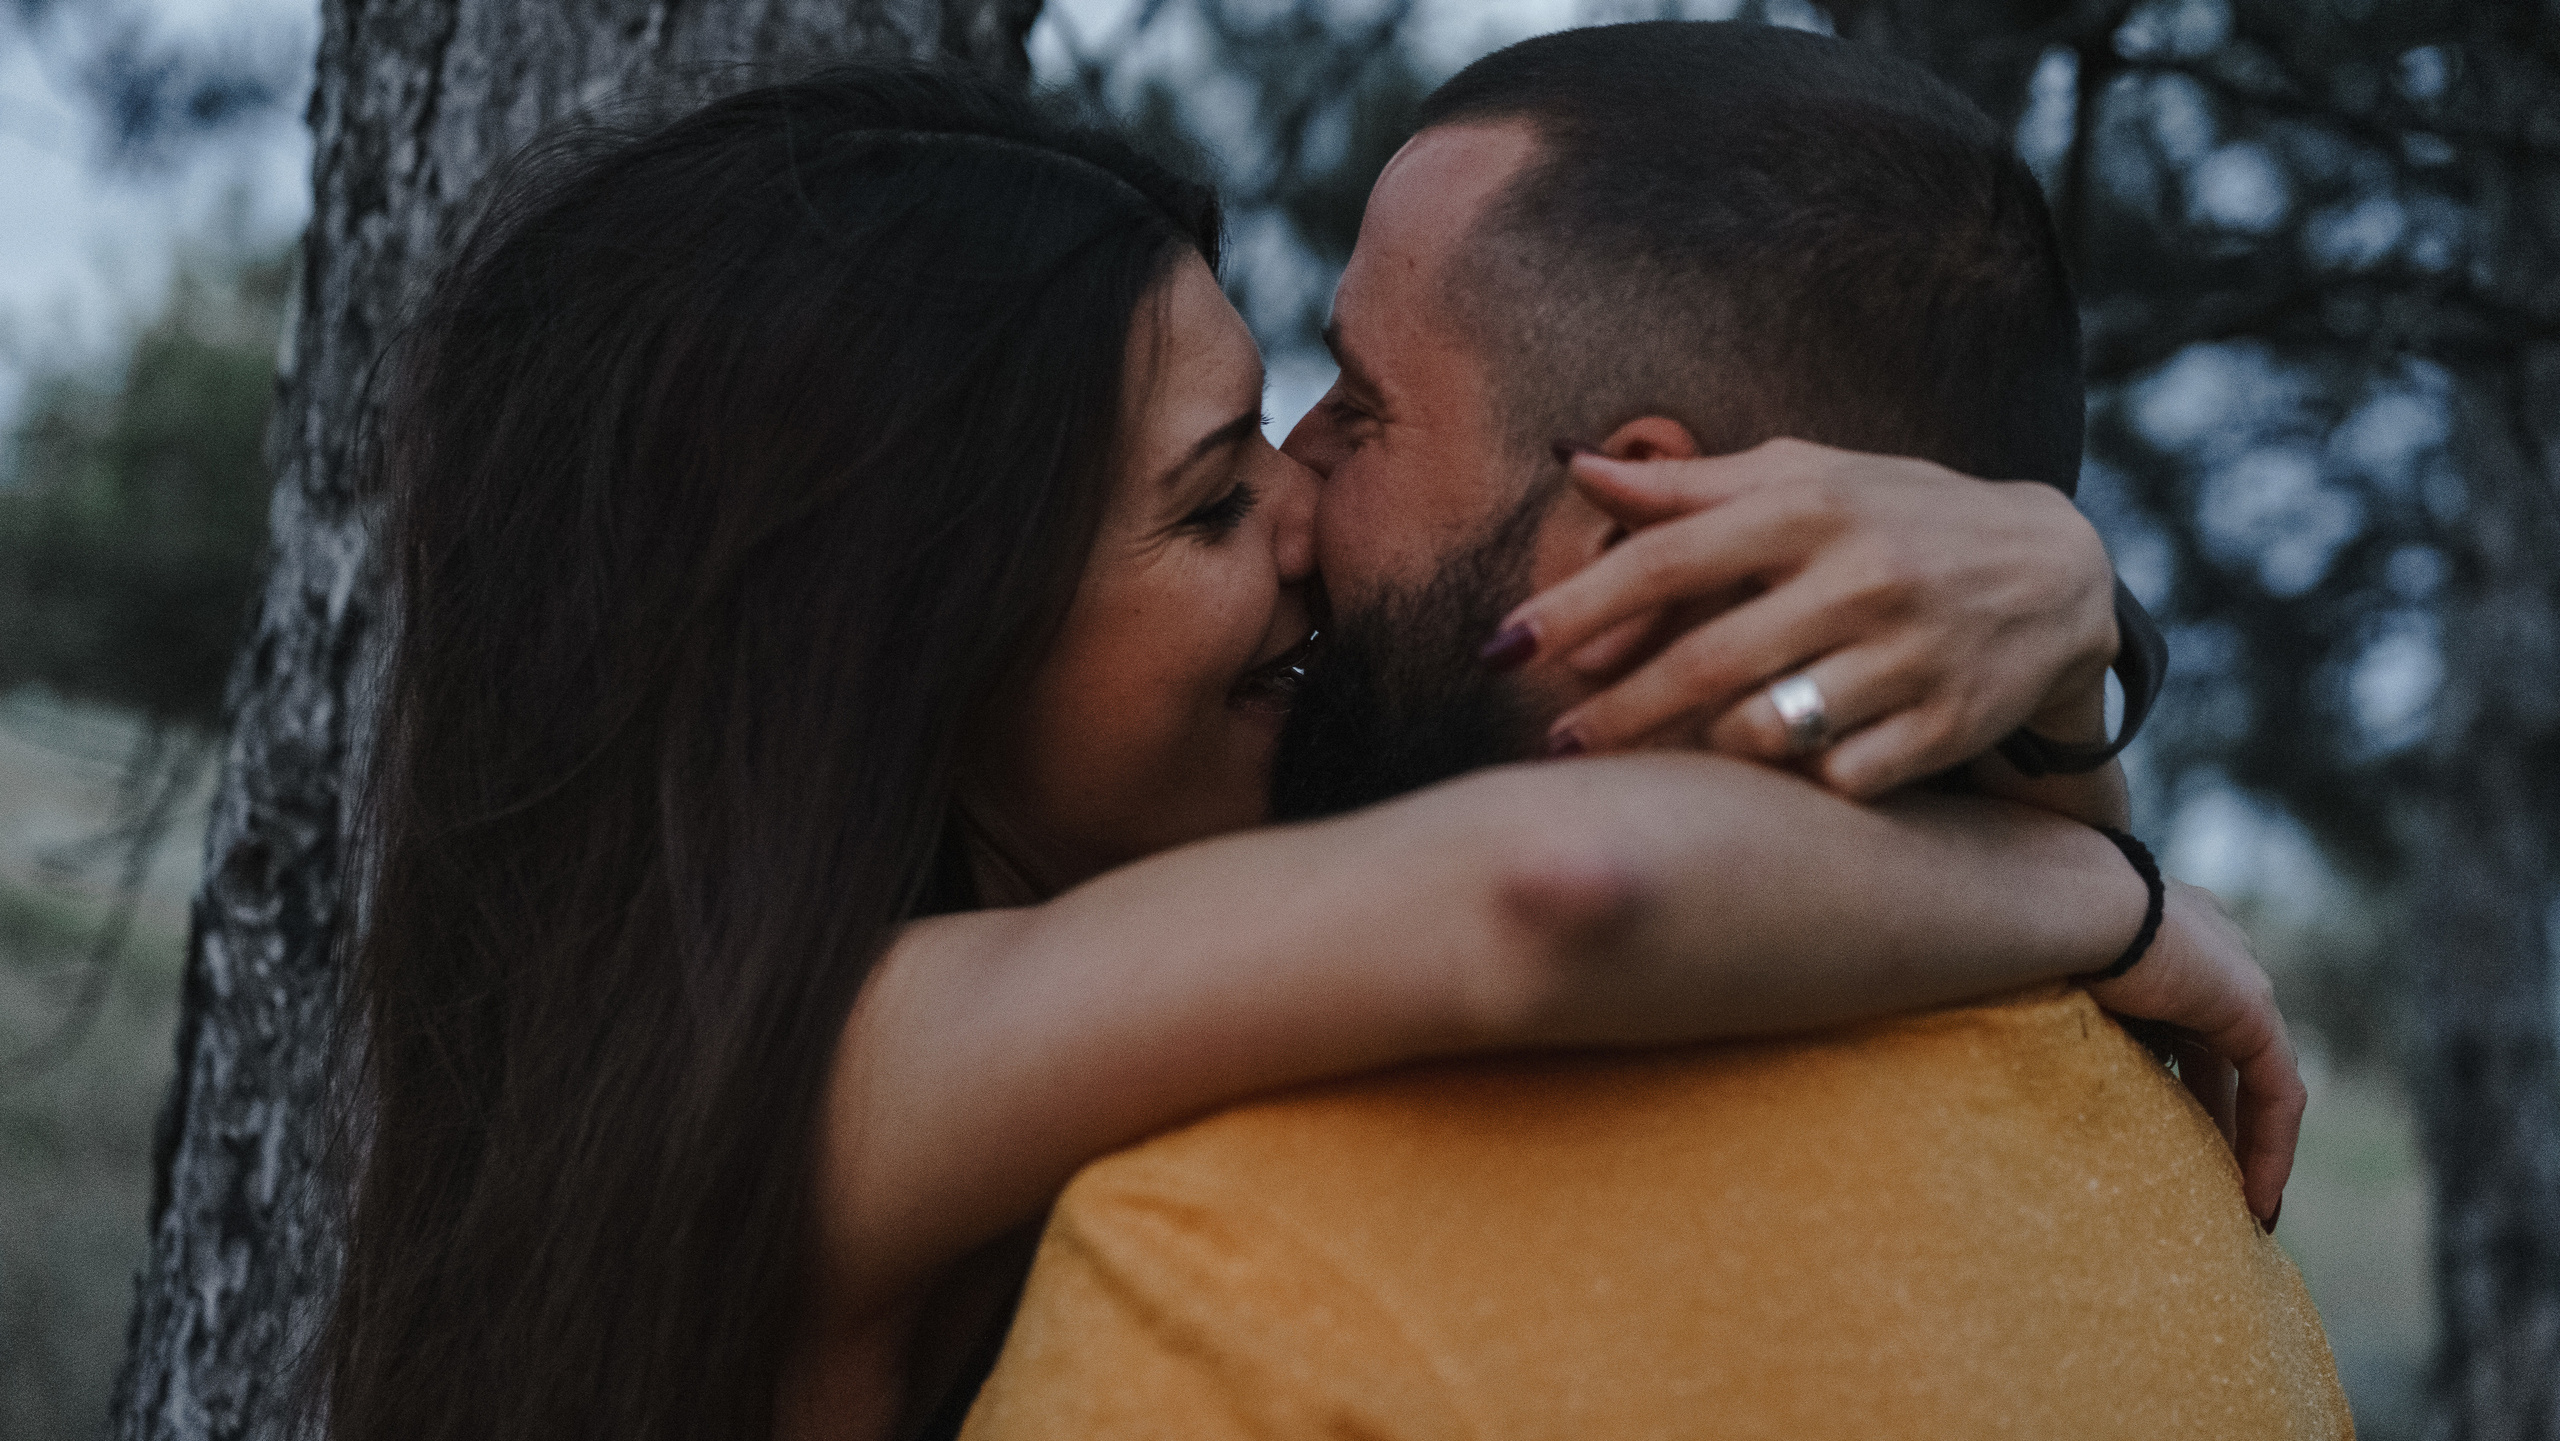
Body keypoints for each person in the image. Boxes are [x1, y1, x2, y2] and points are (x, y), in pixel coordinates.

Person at [316, 61, 2296, 1441]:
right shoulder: (852, 1061)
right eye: (1201, 503)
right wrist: (2088, 878)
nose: (1302, 512)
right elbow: (1556, 890)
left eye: (1311, 414)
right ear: (917, 647)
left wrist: (2053, 626)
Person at [956, 21, 2347, 1440]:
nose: (1298, 490)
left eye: (1361, 410)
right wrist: (2095, 858)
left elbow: (1554, 892)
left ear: (1636, 517)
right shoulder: (2203, 1210)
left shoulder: (1235, 1270)